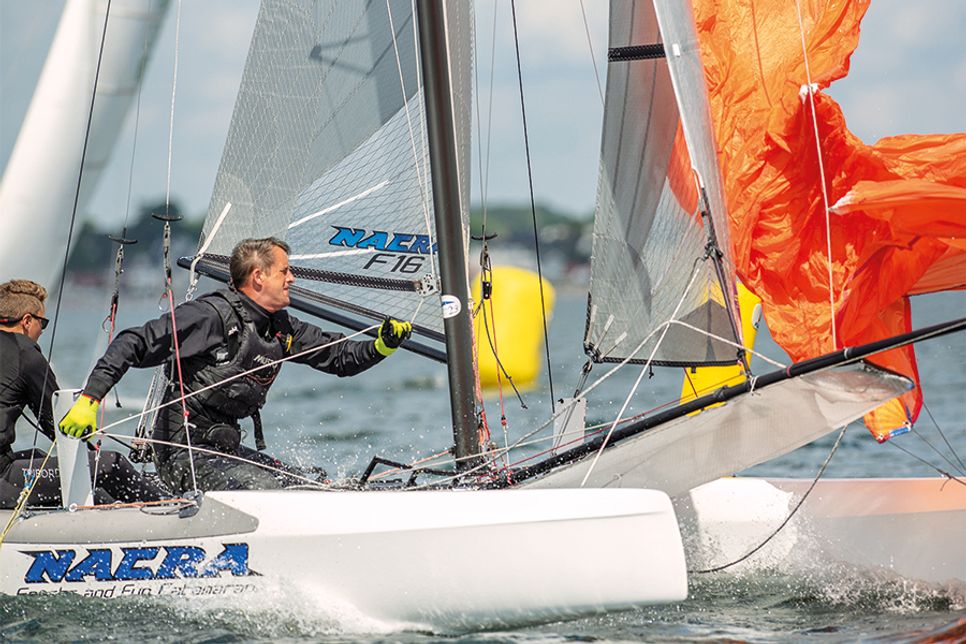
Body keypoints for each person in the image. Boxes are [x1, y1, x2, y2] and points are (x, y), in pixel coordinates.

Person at [60, 237, 412, 494]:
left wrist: (382, 345)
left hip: (225, 452)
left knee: (311, 483)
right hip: (183, 455)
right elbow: (133, 342)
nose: (292, 279)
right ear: (258, 276)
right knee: (266, 490)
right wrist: (91, 398)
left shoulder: (281, 327)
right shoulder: (211, 315)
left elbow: (339, 357)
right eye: (285, 272)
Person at [0, 279, 167, 508]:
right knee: (111, 465)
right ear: (27, 321)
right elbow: (60, 424)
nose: (41, 331)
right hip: (2, 477)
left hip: (5, 465)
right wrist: (92, 456)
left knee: (40, 456)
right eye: (42, 323)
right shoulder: (25, 354)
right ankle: (170, 508)